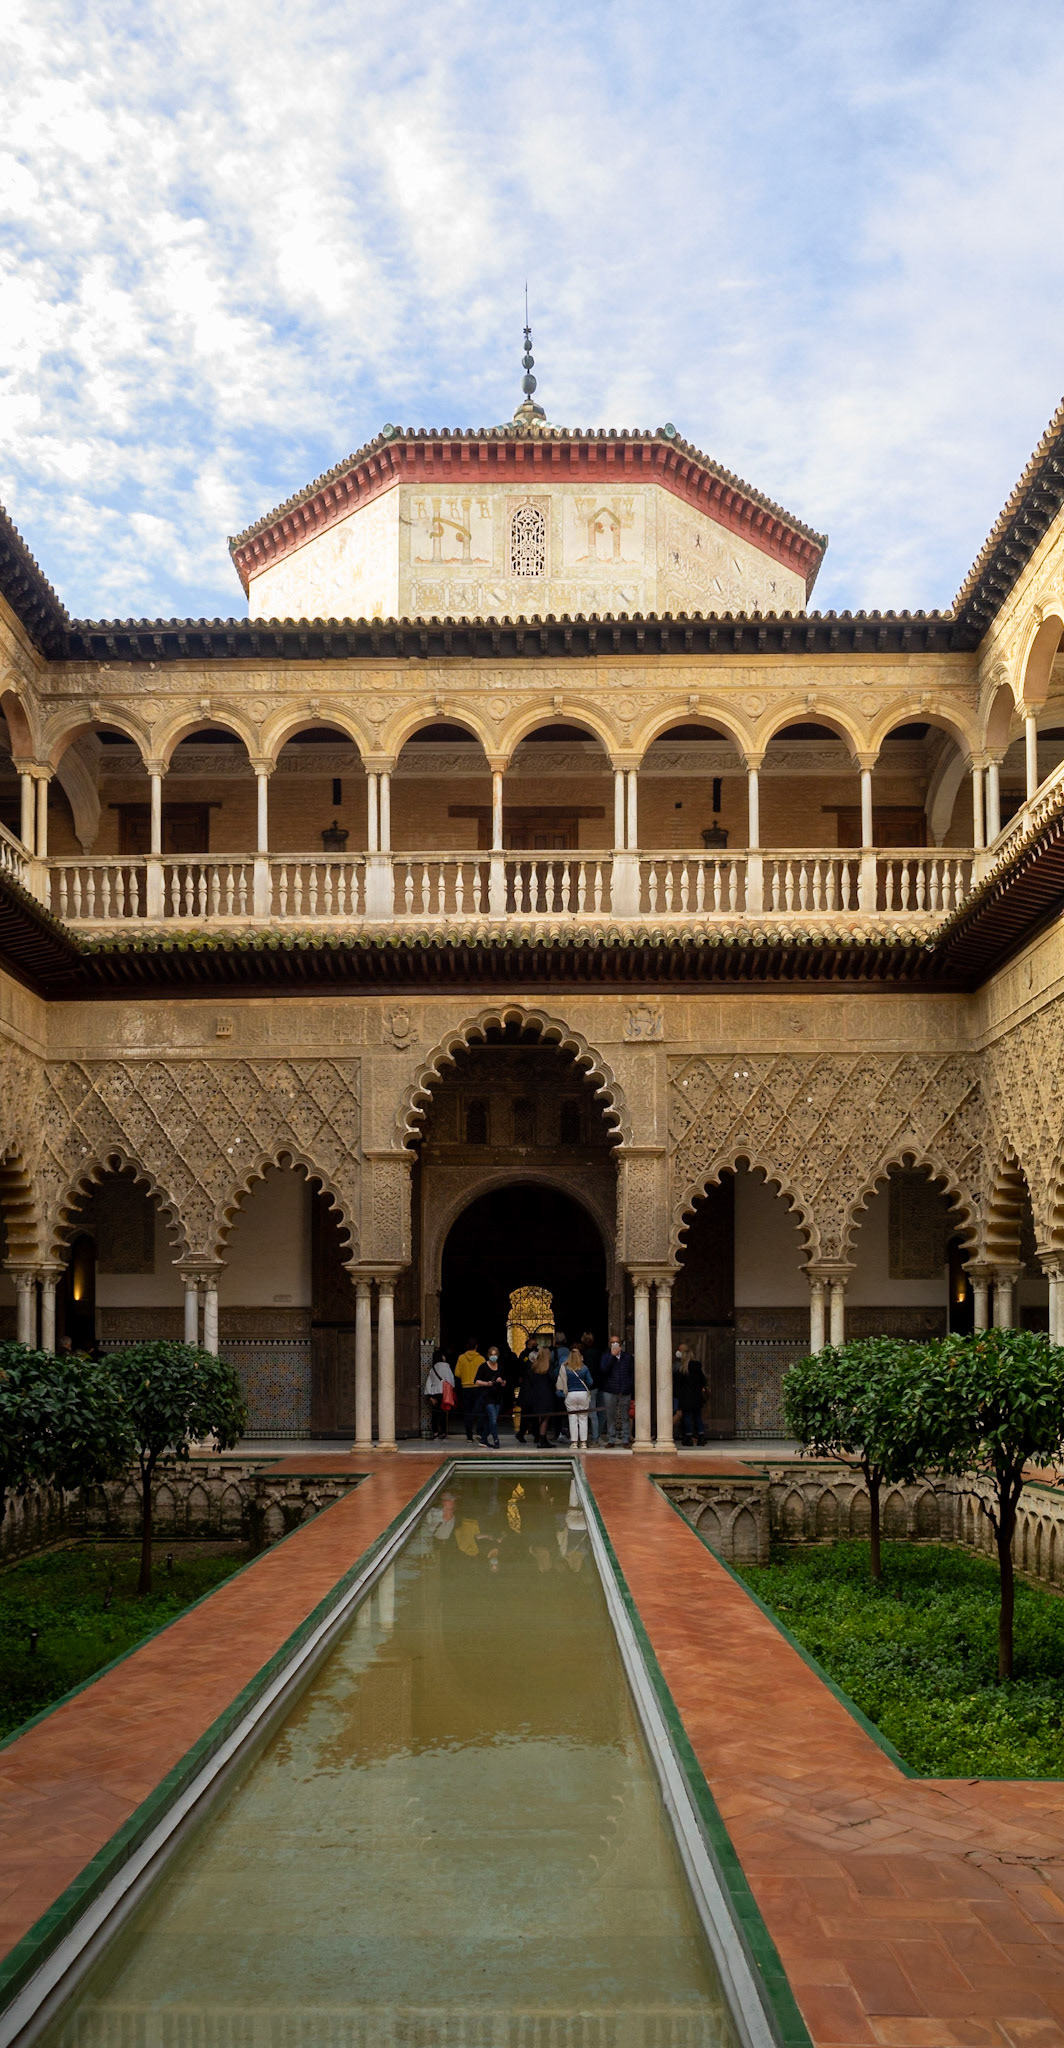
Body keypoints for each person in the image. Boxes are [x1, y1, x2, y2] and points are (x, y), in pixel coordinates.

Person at [557, 1344, 594, 1450]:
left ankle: (574, 1442)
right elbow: (590, 1382)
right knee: (583, 1418)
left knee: (572, 1418)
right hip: (582, 1394)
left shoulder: (566, 1368)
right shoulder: (584, 1368)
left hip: (570, 1394)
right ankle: (583, 1442)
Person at [602, 1334, 635, 1447]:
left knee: (625, 1416)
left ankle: (626, 1439)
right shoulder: (606, 1356)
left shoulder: (628, 1357)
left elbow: (631, 1373)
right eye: (612, 1343)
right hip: (610, 1390)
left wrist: (629, 1386)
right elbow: (604, 1370)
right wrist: (612, 1356)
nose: (614, 1345)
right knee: (610, 1416)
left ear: (621, 1345)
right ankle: (611, 1439)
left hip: (624, 1391)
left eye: (616, 1343)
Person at [473, 1347, 507, 1448]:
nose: (494, 1356)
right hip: (487, 1396)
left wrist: (502, 1381)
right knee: (492, 1419)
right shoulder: (483, 1367)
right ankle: (496, 1440)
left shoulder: (500, 1367)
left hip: (497, 1396)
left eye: (495, 1354)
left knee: (493, 1419)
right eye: (492, 1354)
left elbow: (505, 1383)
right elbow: (476, 1381)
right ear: (488, 1355)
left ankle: (483, 1439)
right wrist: (487, 1383)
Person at [523, 1345, 556, 1447]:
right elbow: (553, 1378)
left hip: (536, 1393)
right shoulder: (548, 1366)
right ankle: (542, 1439)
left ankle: (541, 1437)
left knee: (539, 1416)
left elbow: (531, 1380)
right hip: (545, 1393)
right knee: (545, 1417)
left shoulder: (534, 1366)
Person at [675, 1346, 708, 1446]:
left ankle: (688, 1438)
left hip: (686, 1398)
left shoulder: (683, 1370)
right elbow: (704, 1382)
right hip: (697, 1398)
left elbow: (677, 1385)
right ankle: (701, 1438)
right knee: (698, 1417)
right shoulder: (698, 1368)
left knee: (687, 1417)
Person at [454, 1338, 485, 1443]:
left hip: (466, 1388)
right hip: (478, 1387)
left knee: (468, 1412)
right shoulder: (481, 1359)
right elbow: (485, 1374)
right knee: (480, 1411)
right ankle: (480, 1433)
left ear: (467, 1346)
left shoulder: (461, 1358)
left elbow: (457, 1373)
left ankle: (469, 1436)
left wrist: (465, 1376)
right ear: (476, 1346)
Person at [424, 1348, 455, 1439]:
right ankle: (443, 1432)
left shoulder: (432, 1368)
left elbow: (428, 1382)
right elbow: (451, 1380)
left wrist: (430, 1396)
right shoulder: (446, 1366)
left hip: (434, 1393)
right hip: (443, 1392)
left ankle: (435, 1432)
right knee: (443, 1413)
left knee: (435, 1413)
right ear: (441, 1357)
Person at [581, 1331, 604, 1443]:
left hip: (590, 1387)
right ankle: (598, 1434)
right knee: (600, 1412)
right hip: (600, 1385)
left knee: (592, 1413)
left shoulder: (585, 1354)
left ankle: (595, 1437)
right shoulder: (598, 1352)